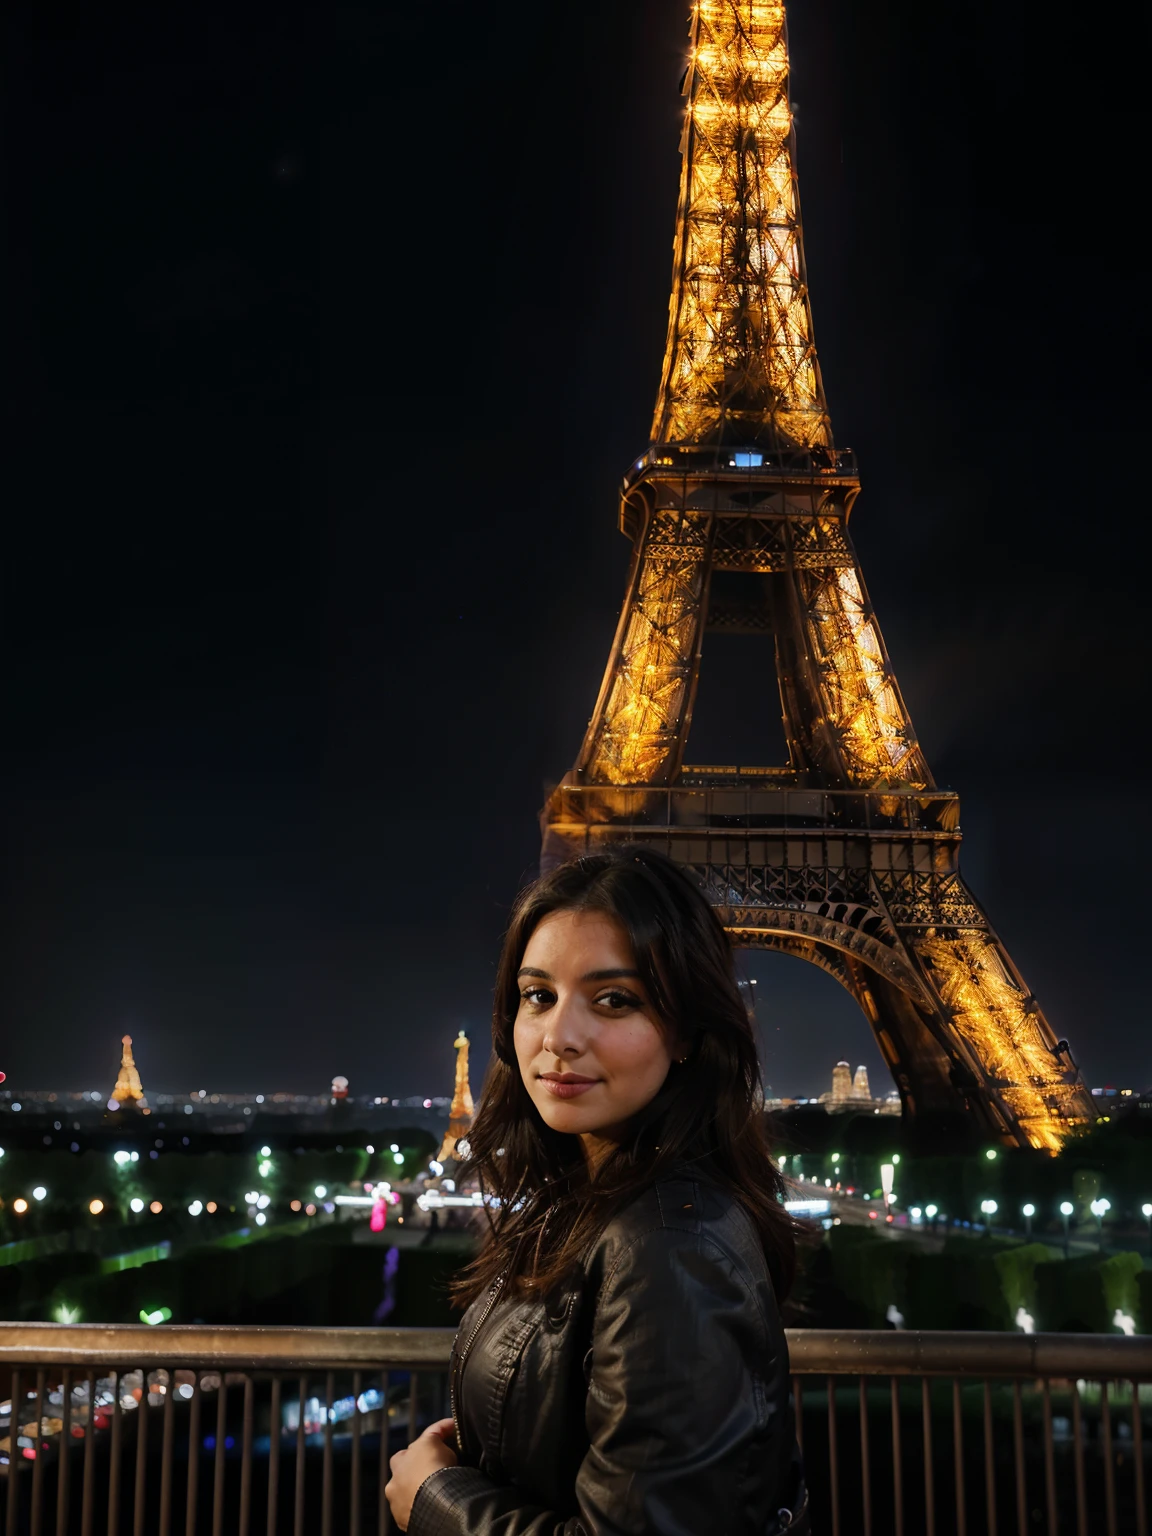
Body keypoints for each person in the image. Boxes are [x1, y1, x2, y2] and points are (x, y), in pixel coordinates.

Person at [385, 846, 806, 1535]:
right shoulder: (604, 1204)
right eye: (538, 996)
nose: (559, 1037)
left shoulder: (671, 1250)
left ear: (686, 1034)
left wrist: (437, 1501)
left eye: (613, 1000)